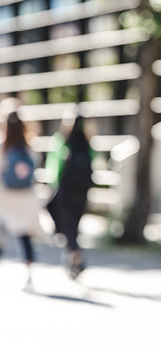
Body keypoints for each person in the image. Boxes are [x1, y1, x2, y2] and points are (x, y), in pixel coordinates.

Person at [45, 111, 94, 279]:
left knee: (67, 227)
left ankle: (76, 255)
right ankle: (71, 260)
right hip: (82, 191)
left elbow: (54, 167)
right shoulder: (87, 142)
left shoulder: (62, 141)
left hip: (65, 191)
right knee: (74, 226)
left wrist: (53, 185)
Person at [0, 109, 43, 289]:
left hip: (6, 198)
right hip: (26, 197)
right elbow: (36, 168)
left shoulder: (3, 145)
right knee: (25, 237)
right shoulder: (29, 145)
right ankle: (29, 275)